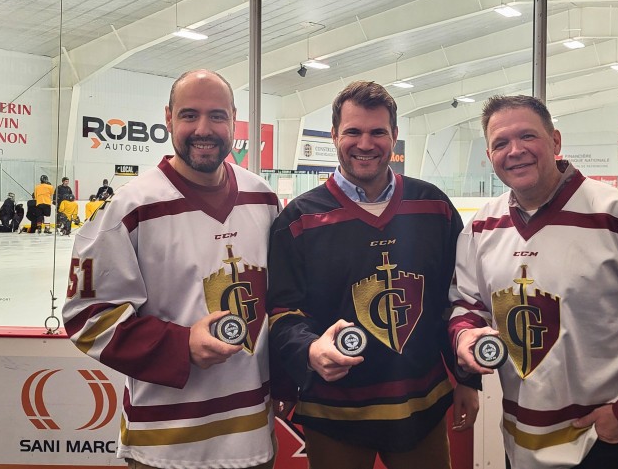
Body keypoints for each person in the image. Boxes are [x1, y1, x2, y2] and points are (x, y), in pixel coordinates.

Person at [448, 95, 618, 469]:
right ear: (490, 155)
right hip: (517, 442)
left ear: (555, 141)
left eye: (528, 136)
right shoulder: (481, 227)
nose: (515, 151)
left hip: (601, 445)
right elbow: (467, 305)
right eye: (501, 143)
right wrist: (465, 336)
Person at [62, 70, 280, 469]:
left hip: (253, 438)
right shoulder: (129, 208)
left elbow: (281, 302)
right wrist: (181, 345)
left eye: (217, 115)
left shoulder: (263, 198)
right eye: (189, 115)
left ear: (234, 120)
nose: (203, 129)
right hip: (165, 447)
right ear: (168, 118)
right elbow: (87, 318)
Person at [267, 80, 478, 469]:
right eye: (353, 131)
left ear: (394, 136)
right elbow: (283, 312)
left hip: (421, 408)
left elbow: (455, 299)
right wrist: (309, 351)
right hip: (333, 413)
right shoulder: (298, 218)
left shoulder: (434, 206)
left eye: (377, 132)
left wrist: (466, 379)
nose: (365, 143)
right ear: (334, 135)